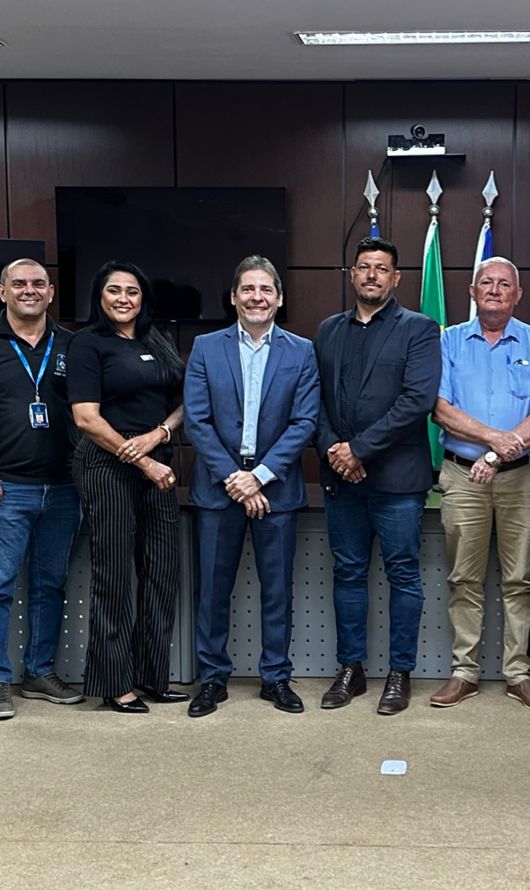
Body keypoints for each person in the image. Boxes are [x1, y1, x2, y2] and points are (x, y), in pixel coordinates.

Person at [183, 256, 321, 718]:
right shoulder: (206, 347)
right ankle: (212, 678)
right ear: (233, 297)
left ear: (279, 298)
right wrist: (235, 478)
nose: (256, 297)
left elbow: (304, 422)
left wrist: (258, 476)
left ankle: (276, 677)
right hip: (217, 487)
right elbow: (197, 421)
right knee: (212, 590)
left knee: (277, 590)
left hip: (275, 489)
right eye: (248, 289)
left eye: (265, 290)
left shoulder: (302, 351)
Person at [314, 236, 442, 716]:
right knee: (347, 573)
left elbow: (417, 400)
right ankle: (351, 669)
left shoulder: (419, 329)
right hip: (341, 479)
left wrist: (359, 450)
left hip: (397, 482)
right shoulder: (328, 330)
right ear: (352, 274)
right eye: (364, 267)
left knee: (403, 574)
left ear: (396, 278)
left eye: (381, 268)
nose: (372, 275)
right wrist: (334, 450)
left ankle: (399, 673)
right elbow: (314, 399)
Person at [0, 259, 83, 720]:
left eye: (39, 284)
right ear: (1, 291)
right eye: (20, 283)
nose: (30, 290)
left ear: (51, 292)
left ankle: (39, 672)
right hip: (3, 488)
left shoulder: (73, 344)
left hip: (64, 488)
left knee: (51, 585)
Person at [430, 257, 530, 713]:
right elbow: (439, 408)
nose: (496, 290)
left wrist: (498, 453)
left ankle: (518, 673)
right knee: (464, 578)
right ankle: (464, 672)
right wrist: (494, 441)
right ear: (472, 291)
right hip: (463, 477)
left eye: (505, 284)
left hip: (525, 477)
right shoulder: (448, 341)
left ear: (518, 295)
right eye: (487, 282)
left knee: (520, 579)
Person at [67, 260, 187, 713]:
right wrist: (142, 460)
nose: (123, 299)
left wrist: (159, 435)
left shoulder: (158, 340)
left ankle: (152, 676)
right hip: (107, 465)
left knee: (161, 573)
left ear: (143, 298)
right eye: (114, 290)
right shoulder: (87, 343)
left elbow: (186, 402)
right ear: (99, 297)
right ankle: (116, 684)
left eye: (132, 291)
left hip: (157, 460)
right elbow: (86, 419)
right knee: (115, 576)